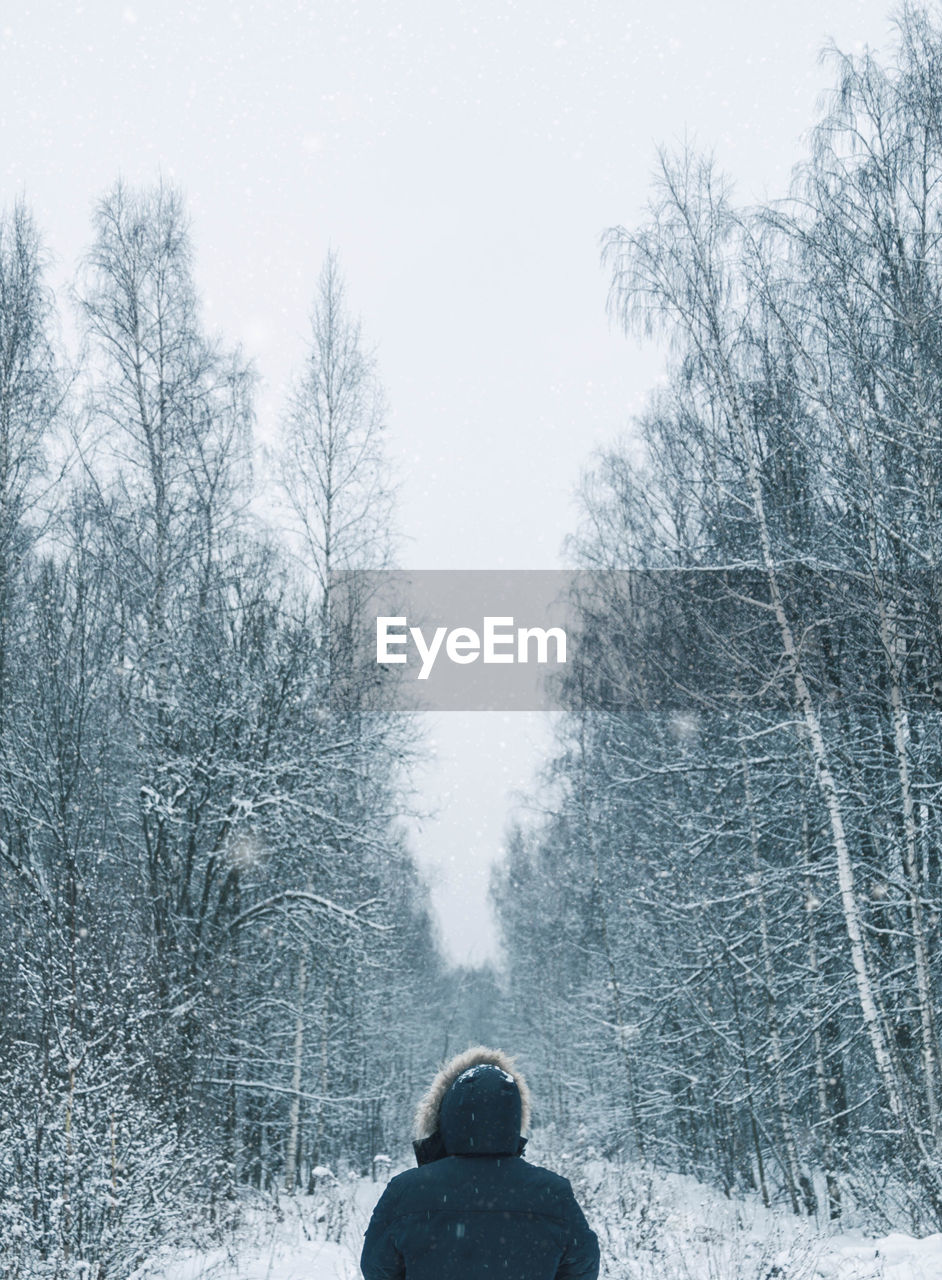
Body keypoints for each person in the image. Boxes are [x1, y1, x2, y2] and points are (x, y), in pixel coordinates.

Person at [360, 1046, 600, 1280]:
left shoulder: (406, 1191)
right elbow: (583, 1269)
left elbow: (376, 1270)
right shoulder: (553, 1194)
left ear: (443, 1117)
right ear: (515, 1118)